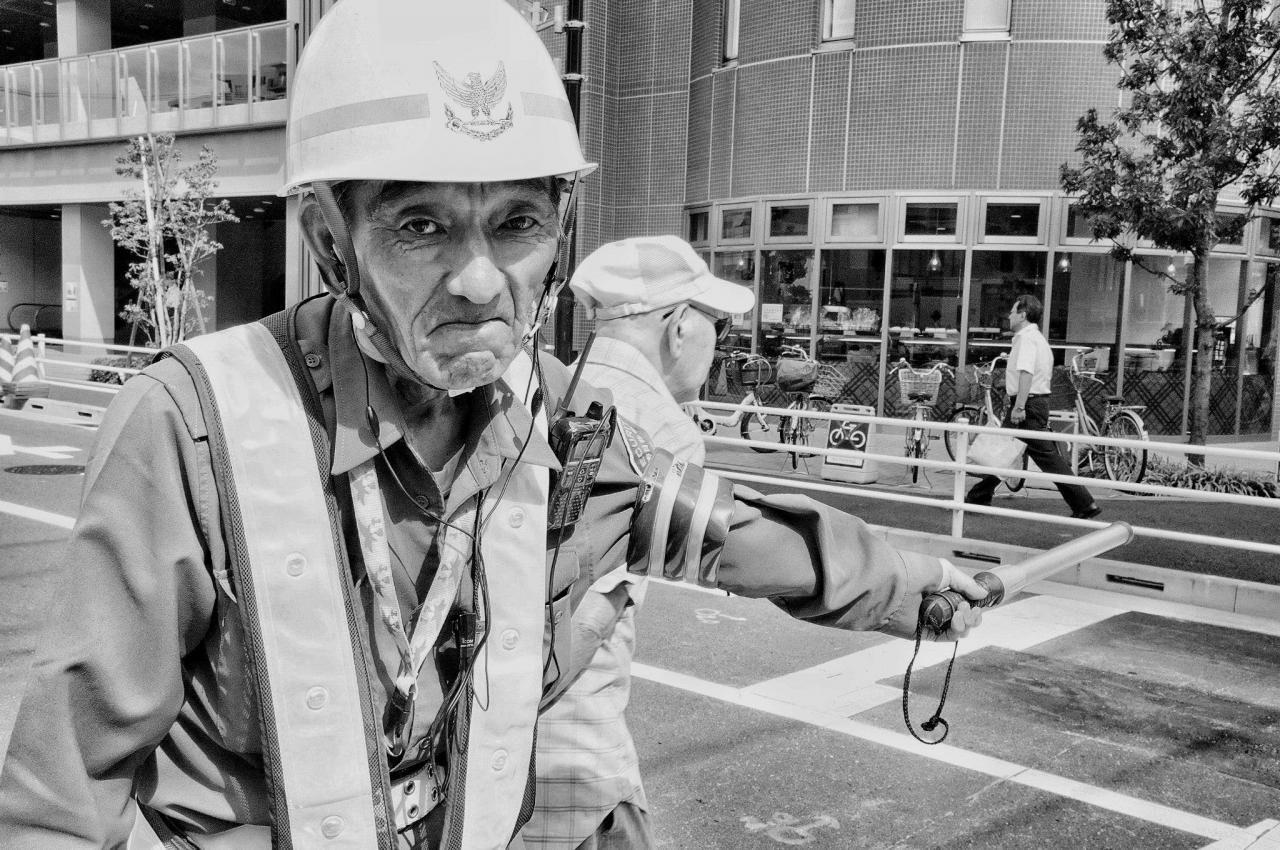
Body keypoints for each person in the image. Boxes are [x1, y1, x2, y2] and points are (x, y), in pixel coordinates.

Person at [0, 2, 986, 848]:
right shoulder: (192, 429)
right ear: (330, 244)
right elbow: (62, 789)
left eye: (516, 222)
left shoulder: (560, 420)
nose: (479, 281)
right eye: (420, 226)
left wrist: (913, 586)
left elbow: (724, 533)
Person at [523, 236, 752, 849]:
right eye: (718, 327)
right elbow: (598, 603)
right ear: (678, 327)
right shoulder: (661, 430)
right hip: (573, 754)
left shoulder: (551, 390)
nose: (717, 345)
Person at [966, 295, 1100, 519]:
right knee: (1008, 451)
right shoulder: (1037, 339)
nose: (1009, 315)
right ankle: (979, 494)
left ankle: (1084, 503)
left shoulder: (1026, 339)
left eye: (1013, 311)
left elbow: (1026, 373)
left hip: (1027, 403)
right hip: (1033, 402)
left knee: (1045, 456)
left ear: (1023, 315)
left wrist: (1019, 407)